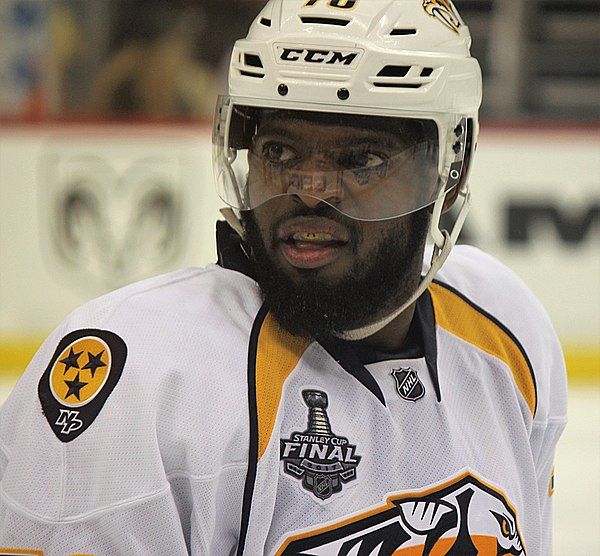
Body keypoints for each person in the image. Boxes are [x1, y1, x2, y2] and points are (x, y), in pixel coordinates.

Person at [0, 1, 568, 554]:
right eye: (279, 151)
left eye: (361, 159)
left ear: (451, 167)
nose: (310, 189)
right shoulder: (145, 378)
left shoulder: (506, 330)